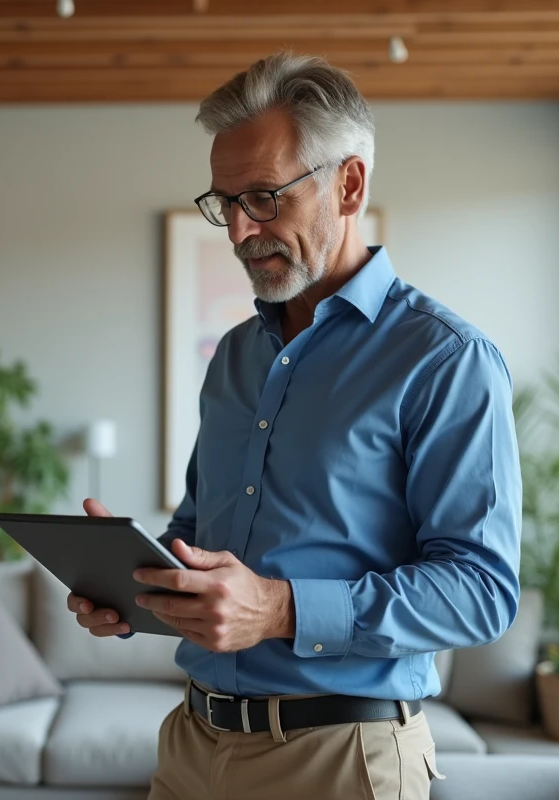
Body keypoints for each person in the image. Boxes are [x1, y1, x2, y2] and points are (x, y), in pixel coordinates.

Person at [67, 51, 521, 800]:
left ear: (348, 184)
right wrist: (132, 583)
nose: (242, 229)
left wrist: (279, 609)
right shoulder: (236, 357)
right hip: (191, 746)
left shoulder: (446, 360)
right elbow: (202, 532)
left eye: (265, 197)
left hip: (340, 758)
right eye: (225, 203)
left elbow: (480, 590)